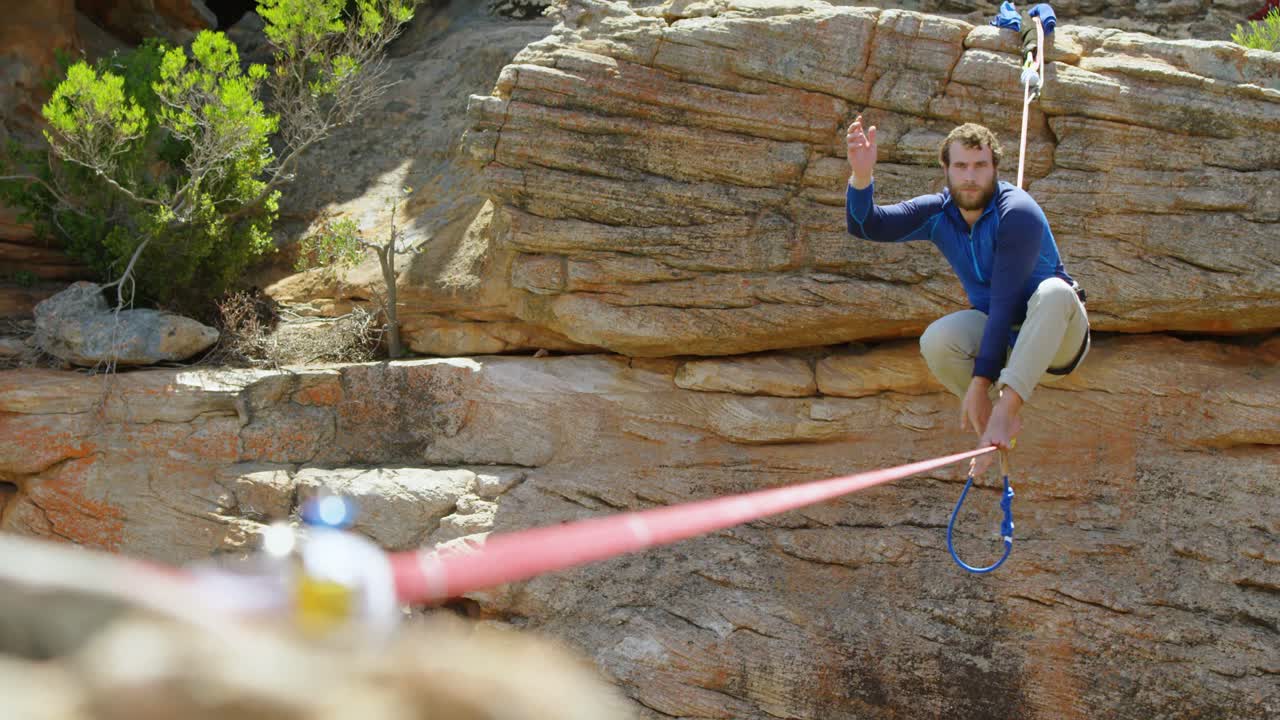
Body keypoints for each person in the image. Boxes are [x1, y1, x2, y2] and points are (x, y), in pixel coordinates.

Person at [843, 116, 1089, 475]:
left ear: (994, 168)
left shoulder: (1018, 213)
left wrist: (981, 381)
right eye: (960, 166)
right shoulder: (938, 213)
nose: (970, 176)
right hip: (1005, 338)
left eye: (980, 166)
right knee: (938, 338)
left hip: (1058, 341)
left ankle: (1005, 413)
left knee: (1054, 293)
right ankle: (991, 427)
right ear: (946, 168)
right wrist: (861, 177)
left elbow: (1005, 302)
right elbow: (866, 225)